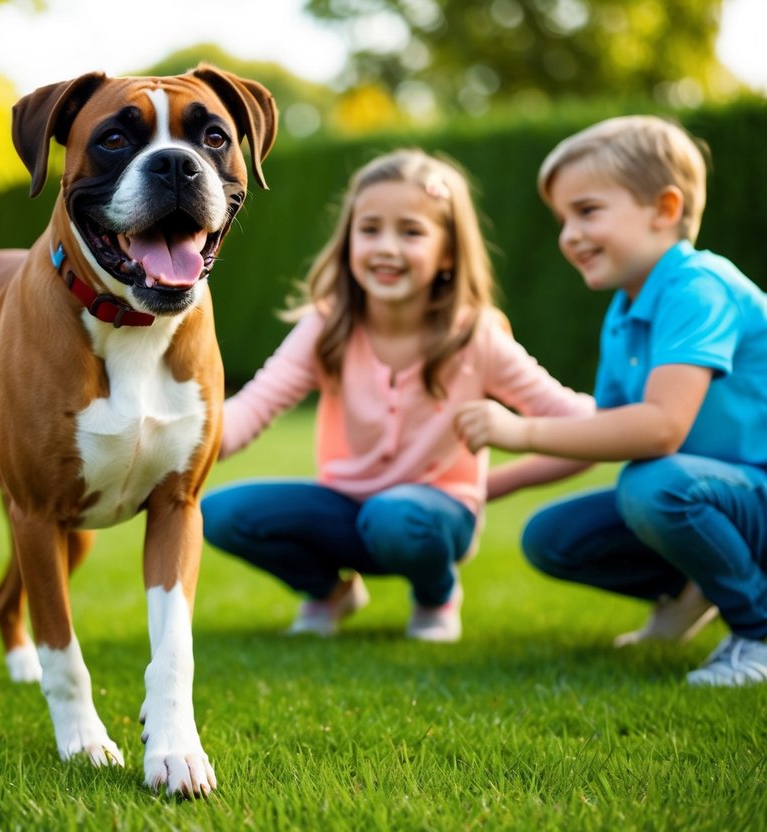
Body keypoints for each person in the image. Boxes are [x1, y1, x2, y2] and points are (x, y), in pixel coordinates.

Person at [202, 149, 593, 642]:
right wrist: (174, 440)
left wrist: (488, 488)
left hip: (429, 520)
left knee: (398, 516)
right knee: (220, 514)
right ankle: (329, 593)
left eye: (411, 232)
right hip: (345, 512)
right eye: (370, 230)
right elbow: (249, 411)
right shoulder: (325, 327)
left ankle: (436, 596)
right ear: (348, 242)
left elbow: (584, 426)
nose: (386, 247)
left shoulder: (476, 337)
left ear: (448, 251)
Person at [454, 115, 767, 687]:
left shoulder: (700, 287)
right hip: (721, 496)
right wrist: (482, 487)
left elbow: (658, 430)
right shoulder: (627, 311)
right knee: (553, 537)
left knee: (653, 486)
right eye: (563, 219)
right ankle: (689, 593)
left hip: (746, 491)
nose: (569, 234)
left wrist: (519, 431)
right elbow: (603, 430)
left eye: (588, 211)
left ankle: (757, 631)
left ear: (664, 209)